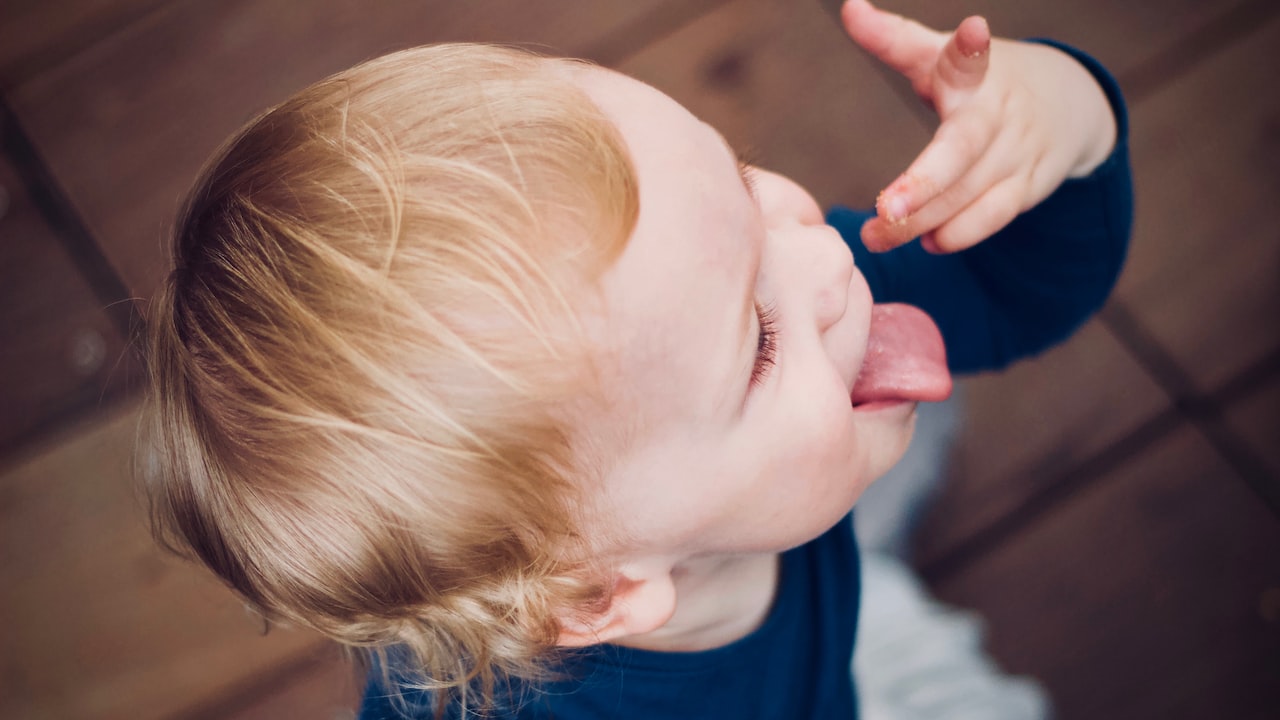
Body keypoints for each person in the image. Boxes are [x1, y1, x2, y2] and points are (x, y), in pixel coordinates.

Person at [140, 0, 1131, 717]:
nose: (826, 254)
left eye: (742, 183)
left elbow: (1010, 293)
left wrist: (1066, 121)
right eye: (762, 339)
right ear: (597, 594)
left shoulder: (703, 355)